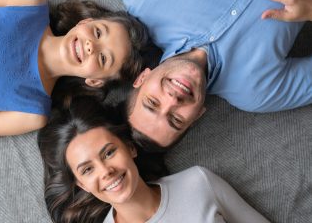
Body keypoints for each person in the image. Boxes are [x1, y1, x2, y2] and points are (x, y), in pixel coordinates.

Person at [0, 0, 148, 150]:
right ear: (85, 23)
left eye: (103, 58)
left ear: (95, 81)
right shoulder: (29, 4)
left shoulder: (32, 113)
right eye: (98, 33)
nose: (90, 46)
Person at [38, 96, 270, 223]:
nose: (105, 171)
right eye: (87, 170)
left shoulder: (198, 182)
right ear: (81, 184)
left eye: (109, 153)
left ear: (130, 148)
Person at [123, 0, 312, 147]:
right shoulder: (256, 92)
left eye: (152, 102)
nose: (172, 100)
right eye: (176, 119)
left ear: (142, 77)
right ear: (198, 115)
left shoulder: (145, 5)